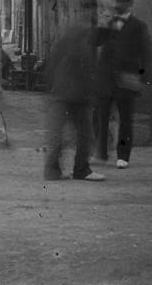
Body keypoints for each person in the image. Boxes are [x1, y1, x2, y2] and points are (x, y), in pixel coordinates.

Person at [95, 0, 152, 169]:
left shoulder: (139, 26)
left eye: (123, 2)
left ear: (130, 5)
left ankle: (123, 156)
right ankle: (101, 153)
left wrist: (145, 77)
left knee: (125, 119)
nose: (118, 5)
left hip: (127, 78)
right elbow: (96, 43)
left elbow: (146, 52)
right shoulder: (110, 23)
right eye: (117, 2)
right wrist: (104, 24)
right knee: (99, 117)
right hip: (106, 79)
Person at [44, 18, 105, 182]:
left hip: (60, 95)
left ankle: (52, 170)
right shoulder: (84, 46)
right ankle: (81, 169)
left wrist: (51, 89)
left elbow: (50, 67)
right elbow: (88, 72)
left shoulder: (62, 44)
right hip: (77, 97)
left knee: (57, 134)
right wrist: (93, 94)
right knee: (85, 134)